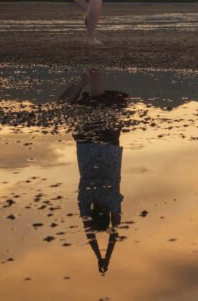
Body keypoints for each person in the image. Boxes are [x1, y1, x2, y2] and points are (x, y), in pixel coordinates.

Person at [59, 68, 128, 275]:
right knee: (65, 105)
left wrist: (106, 255)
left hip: (108, 146)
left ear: (106, 213)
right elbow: (88, 231)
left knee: (101, 104)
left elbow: (114, 232)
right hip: (86, 145)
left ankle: (93, 74)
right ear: (91, 212)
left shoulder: (112, 200)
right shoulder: (84, 198)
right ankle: (86, 78)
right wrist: (99, 255)